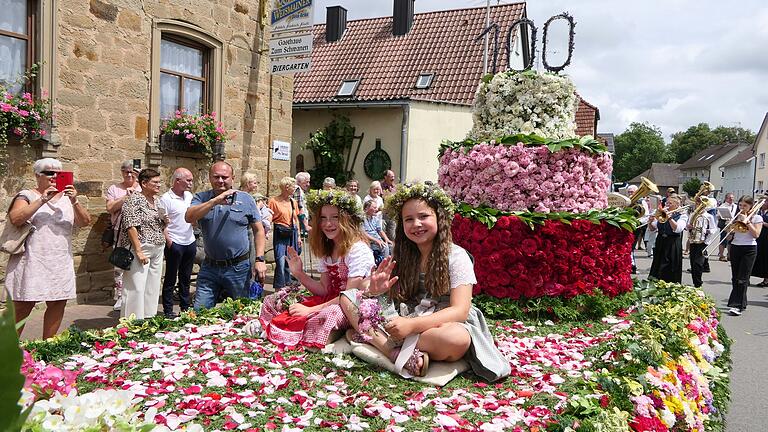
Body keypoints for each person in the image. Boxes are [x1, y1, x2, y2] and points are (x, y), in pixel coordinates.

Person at [340, 182, 511, 382]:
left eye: (423, 216)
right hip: (406, 312)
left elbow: (460, 310)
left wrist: (412, 326)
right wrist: (375, 290)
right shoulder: (402, 253)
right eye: (409, 219)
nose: (416, 224)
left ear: (439, 217)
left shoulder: (456, 256)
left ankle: (379, 341)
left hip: (442, 322)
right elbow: (382, 299)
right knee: (348, 298)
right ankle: (394, 353)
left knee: (456, 339)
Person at [258, 188, 373, 348]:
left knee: (328, 315)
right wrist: (299, 273)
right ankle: (319, 331)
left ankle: (328, 332)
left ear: (348, 220)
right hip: (331, 300)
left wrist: (310, 310)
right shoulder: (327, 248)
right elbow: (325, 290)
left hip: (352, 305)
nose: (327, 224)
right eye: (323, 218)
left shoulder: (357, 249)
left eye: (335, 218)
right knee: (274, 300)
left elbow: (350, 296)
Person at [7, 158, 91, 338]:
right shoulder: (27, 195)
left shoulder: (68, 198)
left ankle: (48, 344)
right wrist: (43, 199)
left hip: (59, 259)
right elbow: (16, 218)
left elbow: (84, 222)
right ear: (37, 175)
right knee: (23, 304)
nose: (54, 176)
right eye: (49, 172)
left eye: (58, 173)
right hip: (31, 258)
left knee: (58, 301)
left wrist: (75, 201)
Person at [186, 161, 267, 310]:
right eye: (216, 177)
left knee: (243, 311)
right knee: (199, 311)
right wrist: (215, 201)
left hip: (238, 268)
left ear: (233, 178)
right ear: (210, 178)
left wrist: (260, 259)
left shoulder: (246, 199)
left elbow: (259, 230)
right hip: (210, 266)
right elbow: (189, 217)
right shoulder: (201, 197)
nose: (220, 181)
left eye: (224, 177)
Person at [119, 169, 167, 320]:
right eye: (155, 182)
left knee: (152, 287)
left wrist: (165, 221)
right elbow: (130, 225)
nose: (159, 185)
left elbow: (157, 222)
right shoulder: (134, 200)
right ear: (144, 183)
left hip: (158, 246)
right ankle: (132, 321)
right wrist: (138, 250)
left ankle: (148, 317)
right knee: (136, 286)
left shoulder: (156, 200)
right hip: (141, 246)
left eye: (159, 182)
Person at [159, 168, 195, 318]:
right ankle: (168, 310)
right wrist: (169, 241)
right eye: (188, 180)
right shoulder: (165, 199)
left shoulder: (189, 196)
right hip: (175, 242)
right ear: (177, 180)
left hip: (189, 241)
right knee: (170, 278)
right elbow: (161, 222)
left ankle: (185, 308)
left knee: (186, 278)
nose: (191, 183)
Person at [105, 161, 142, 310]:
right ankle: (120, 296)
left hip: (140, 232)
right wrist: (123, 198)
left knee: (139, 263)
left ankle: (136, 296)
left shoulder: (142, 187)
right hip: (120, 232)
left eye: (132, 171)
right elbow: (109, 208)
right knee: (120, 264)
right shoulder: (115, 188)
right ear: (121, 172)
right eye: (125, 171)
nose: (129, 174)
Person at [726, 196, 763, 316]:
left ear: (751, 206)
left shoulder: (757, 218)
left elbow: (756, 234)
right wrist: (729, 230)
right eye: (740, 205)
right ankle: (742, 302)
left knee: (743, 278)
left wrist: (747, 221)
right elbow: (730, 237)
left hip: (749, 249)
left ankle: (736, 305)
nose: (742, 208)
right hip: (736, 247)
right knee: (735, 277)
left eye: (745, 206)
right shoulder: (736, 216)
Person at [269, 177, 303, 289]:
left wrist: (298, 236)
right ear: (286, 187)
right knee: (280, 261)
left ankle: (287, 286)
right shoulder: (273, 201)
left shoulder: (293, 202)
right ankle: (279, 287)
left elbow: (296, 219)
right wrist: (266, 231)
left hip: (291, 232)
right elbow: (269, 217)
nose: (294, 189)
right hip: (280, 232)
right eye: (293, 187)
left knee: (289, 261)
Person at [648, 195, 688, 283]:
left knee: (670, 267)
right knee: (658, 265)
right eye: (667, 203)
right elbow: (653, 228)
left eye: (670, 203)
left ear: (677, 205)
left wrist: (669, 217)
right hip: (661, 241)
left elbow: (677, 229)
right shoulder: (662, 213)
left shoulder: (682, 215)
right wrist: (650, 222)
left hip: (672, 242)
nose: (667, 205)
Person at [686, 197, 717, 288]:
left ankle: (698, 284)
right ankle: (696, 282)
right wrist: (688, 227)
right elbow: (687, 226)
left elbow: (714, 229)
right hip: (693, 241)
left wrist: (706, 231)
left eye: (701, 204)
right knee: (692, 263)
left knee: (698, 263)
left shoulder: (709, 216)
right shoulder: (692, 214)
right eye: (697, 203)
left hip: (702, 242)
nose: (698, 205)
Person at [362, 200, 393, 265]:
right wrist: (377, 240)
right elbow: (363, 233)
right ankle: (384, 266)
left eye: (376, 207)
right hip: (368, 240)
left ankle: (390, 265)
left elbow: (380, 230)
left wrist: (387, 239)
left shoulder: (375, 218)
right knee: (385, 247)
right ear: (366, 208)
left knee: (391, 246)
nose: (377, 209)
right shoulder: (362, 219)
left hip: (377, 239)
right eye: (374, 207)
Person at [751, 199, 768, 286]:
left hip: (766, 238)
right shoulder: (759, 212)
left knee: (766, 258)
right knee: (758, 258)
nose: (763, 204)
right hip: (759, 238)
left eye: (765, 202)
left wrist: (762, 223)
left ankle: (766, 280)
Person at [717, 193, 737, 262]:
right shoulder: (723, 206)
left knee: (731, 241)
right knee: (723, 240)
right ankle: (721, 255)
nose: (731, 199)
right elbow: (718, 216)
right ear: (726, 198)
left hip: (733, 225)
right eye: (730, 198)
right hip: (725, 224)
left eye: (732, 197)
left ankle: (729, 255)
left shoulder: (735, 206)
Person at [380, 170, 398, 241]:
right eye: (391, 177)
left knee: (392, 234)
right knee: (382, 232)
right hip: (383, 213)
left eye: (393, 176)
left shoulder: (394, 187)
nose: (393, 178)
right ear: (385, 177)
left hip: (392, 214)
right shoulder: (380, 186)